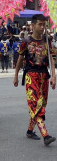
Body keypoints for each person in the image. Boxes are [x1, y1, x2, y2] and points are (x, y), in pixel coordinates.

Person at [14, 14, 56, 146]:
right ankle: (46, 135)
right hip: (31, 75)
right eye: (40, 24)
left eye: (44, 24)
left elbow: (51, 59)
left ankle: (30, 130)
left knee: (41, 104)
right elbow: (20, 59)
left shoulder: (47, 40)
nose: (42, 27)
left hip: (44, 75)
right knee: (35, 103)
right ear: (33, 25)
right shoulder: (26, 42)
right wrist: (16, 75)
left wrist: (53, 76)